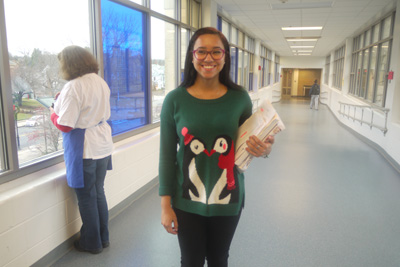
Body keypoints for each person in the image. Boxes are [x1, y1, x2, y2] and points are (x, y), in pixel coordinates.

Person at [159, 27, 275, 267]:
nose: (208, 58)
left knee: (219, 259)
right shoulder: (175, 100)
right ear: (192, 56)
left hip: (228, 198)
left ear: (225, 57)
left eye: (216, 52)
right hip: (186, 199)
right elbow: (166, 156)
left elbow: (248, 145)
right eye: (201, 52)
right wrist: (165, 206)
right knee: (190, 261)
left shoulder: (239, 98)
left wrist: (264, 149)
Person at [49, 45, 113, 254]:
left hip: (85, 148)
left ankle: (91, 243)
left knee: (86, 197)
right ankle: (103, 238)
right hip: (102, 144)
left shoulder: (74, 86)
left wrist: (52, 113)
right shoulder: (100, 81)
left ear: (69, 65)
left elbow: (66, 124)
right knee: (98, 192)